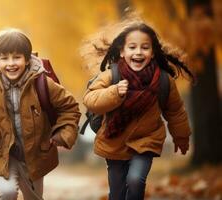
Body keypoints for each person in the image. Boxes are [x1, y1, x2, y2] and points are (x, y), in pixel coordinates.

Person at [0, 28, 80, 200]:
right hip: (3, 154)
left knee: (33, 198)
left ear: (26, 59)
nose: (11, 63)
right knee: (7, 192)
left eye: (16, 57)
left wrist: (63, 133)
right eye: (4, 58)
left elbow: (70, 107)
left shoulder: (42, 83)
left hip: (35, 154)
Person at [83, 22, 194, 200]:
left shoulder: (163, 81)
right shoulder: (112, 75)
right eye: (132, 47)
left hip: (146, 141)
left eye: (145, 47)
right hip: (114, 142)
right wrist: (114, 92)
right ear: (122, 52)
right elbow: (90, 99)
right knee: (117, 193)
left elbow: (175, 111)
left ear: (152, 52)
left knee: (136, 180)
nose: (138, 52)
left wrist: (181, 136)